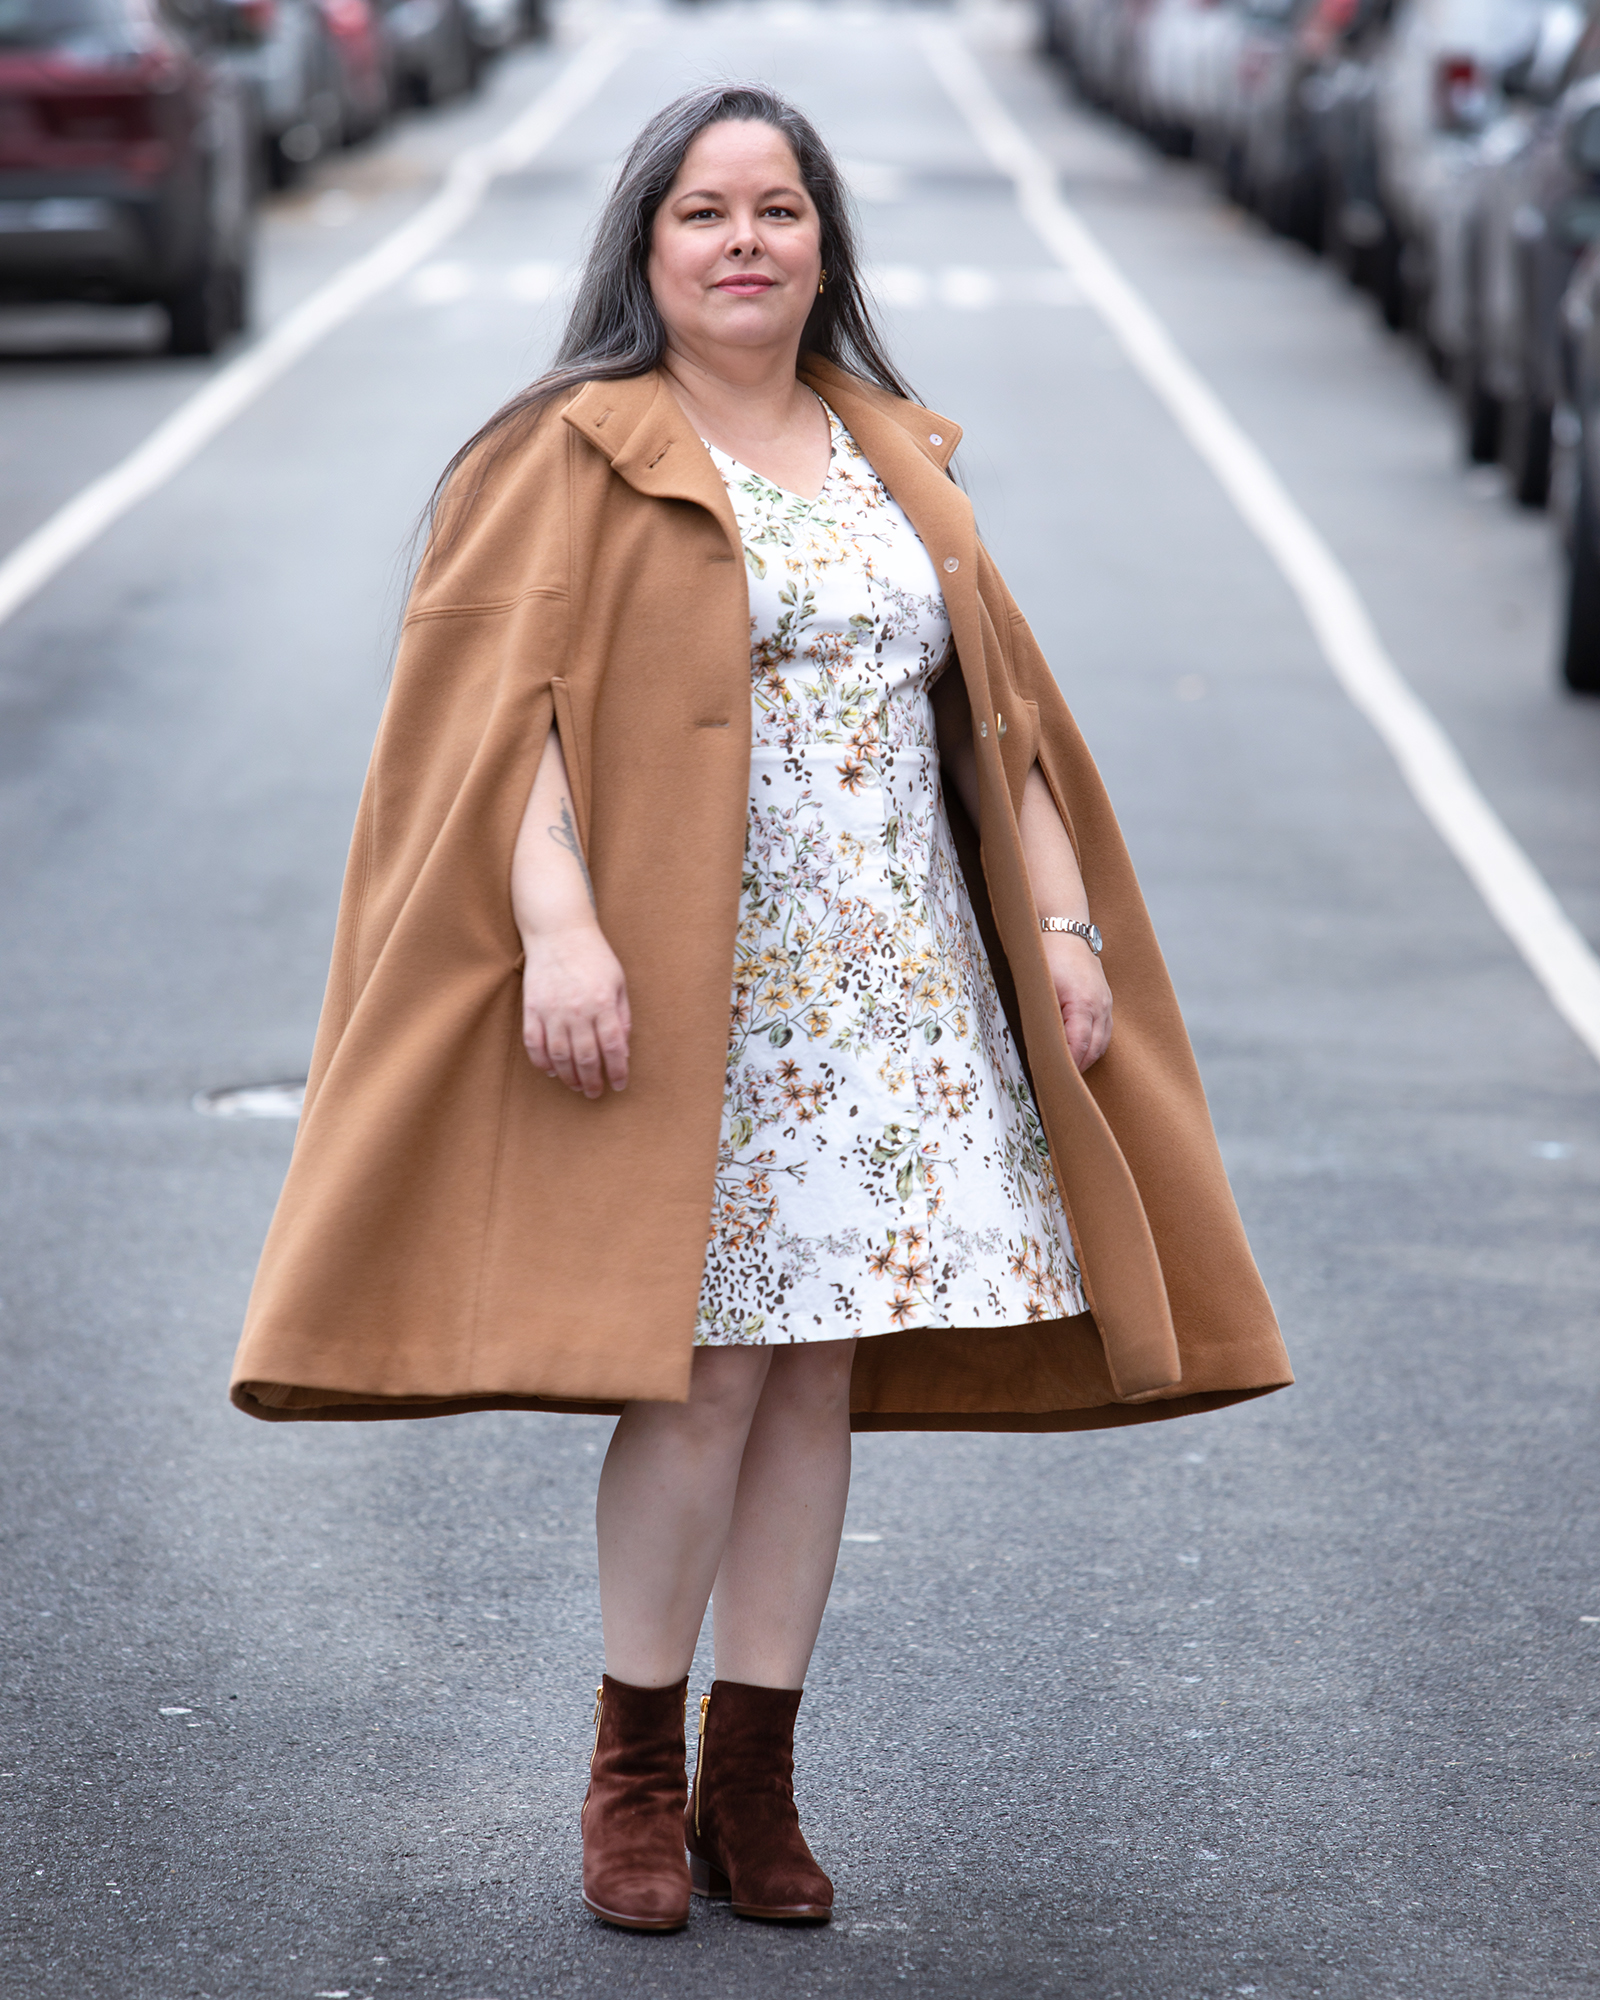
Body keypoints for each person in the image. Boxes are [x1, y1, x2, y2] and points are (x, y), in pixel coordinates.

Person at [230, 84, 1290, 1935]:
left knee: (818, 1385)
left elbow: (1004, 723)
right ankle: (632, 1767)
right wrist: (558, 930)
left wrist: (1064, 928)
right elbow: (498, 743)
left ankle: (756, 1776)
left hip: (889, 998)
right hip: (692, 995)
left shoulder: (897, 454)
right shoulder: (564, 452)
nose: (745, 241)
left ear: (825, 244)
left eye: (779, 210)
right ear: (645, 247)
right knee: (709, 1379)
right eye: (705, 212)